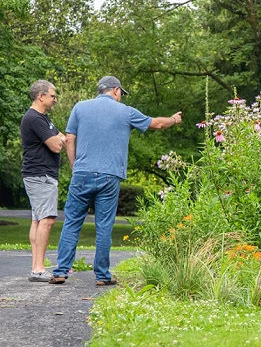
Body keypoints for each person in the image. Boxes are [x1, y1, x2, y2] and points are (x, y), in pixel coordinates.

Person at [49, 76, 183, 286]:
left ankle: (60, 272)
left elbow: (70, 138)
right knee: (104, 226)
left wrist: (75, 166)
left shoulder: (80, 108)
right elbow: (156, 124)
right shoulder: (125, 112)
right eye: (121, 93)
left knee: (72, 223)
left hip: (82, 174)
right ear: (116, 91)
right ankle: (102, 276)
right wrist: (174, 119)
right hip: (109, 176)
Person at [20, 80, 66, 282]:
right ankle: (38, 269)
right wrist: (58, 139)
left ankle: (36, 266)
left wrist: (59, 139)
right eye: (52, 96)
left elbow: (62, 137)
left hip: (40, 174)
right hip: (40, 175)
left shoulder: (43, 118)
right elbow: (57, 145)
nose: (55, 99)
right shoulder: (34, 118)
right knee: (47, 220)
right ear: (41, 96)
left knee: (38, 219)